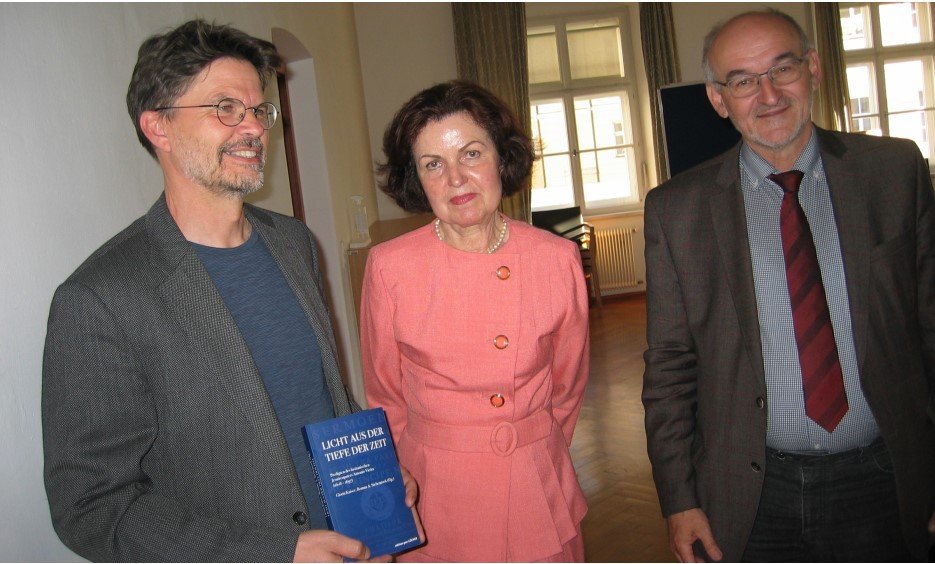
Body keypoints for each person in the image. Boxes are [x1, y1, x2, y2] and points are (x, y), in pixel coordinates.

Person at [42, 19, 416, 562]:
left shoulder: (292, 243)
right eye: (225, 109)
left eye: (259, 110)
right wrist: (272, 553)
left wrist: (373, 484)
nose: (255, 128)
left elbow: (321, 394)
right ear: (159, 127)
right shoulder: (100, 298)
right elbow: (92, 505)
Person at [642, 9, 935, 563]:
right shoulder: (676, 211)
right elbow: (669, 367)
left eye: (783, 68)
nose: (769, 94)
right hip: (751, 493)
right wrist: (679, 499)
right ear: (718, 99)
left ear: (815, 68)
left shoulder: (894, 172)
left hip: (887, 471)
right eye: (743, 80)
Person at [360, 80, 589, 562]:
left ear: (502, 158)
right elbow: (385, 397)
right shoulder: (389, 267)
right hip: (435, 495)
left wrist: (534, 446)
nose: (455, 179)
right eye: (433, 165)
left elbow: (567, 388)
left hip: (536, 490)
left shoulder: (557, 258)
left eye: (471, 154)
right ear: (416, 180)